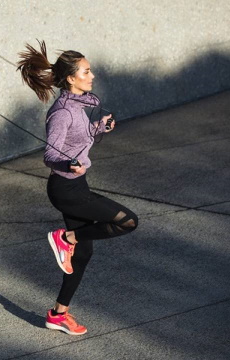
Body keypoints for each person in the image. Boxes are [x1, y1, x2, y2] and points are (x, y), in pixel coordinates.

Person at [17, 40, 138, 336]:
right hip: (66, 190)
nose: (92, 75)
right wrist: (68, 163)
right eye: (86, 71)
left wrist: (100, 128)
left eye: (90, 69)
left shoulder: (85, 103)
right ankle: (65, 237)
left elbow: (81, 137)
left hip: (76, 185)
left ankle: (58, 315)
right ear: (71, 78)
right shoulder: (62, 113)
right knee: (128, 221)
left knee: (82, 256)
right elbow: (50, 154)